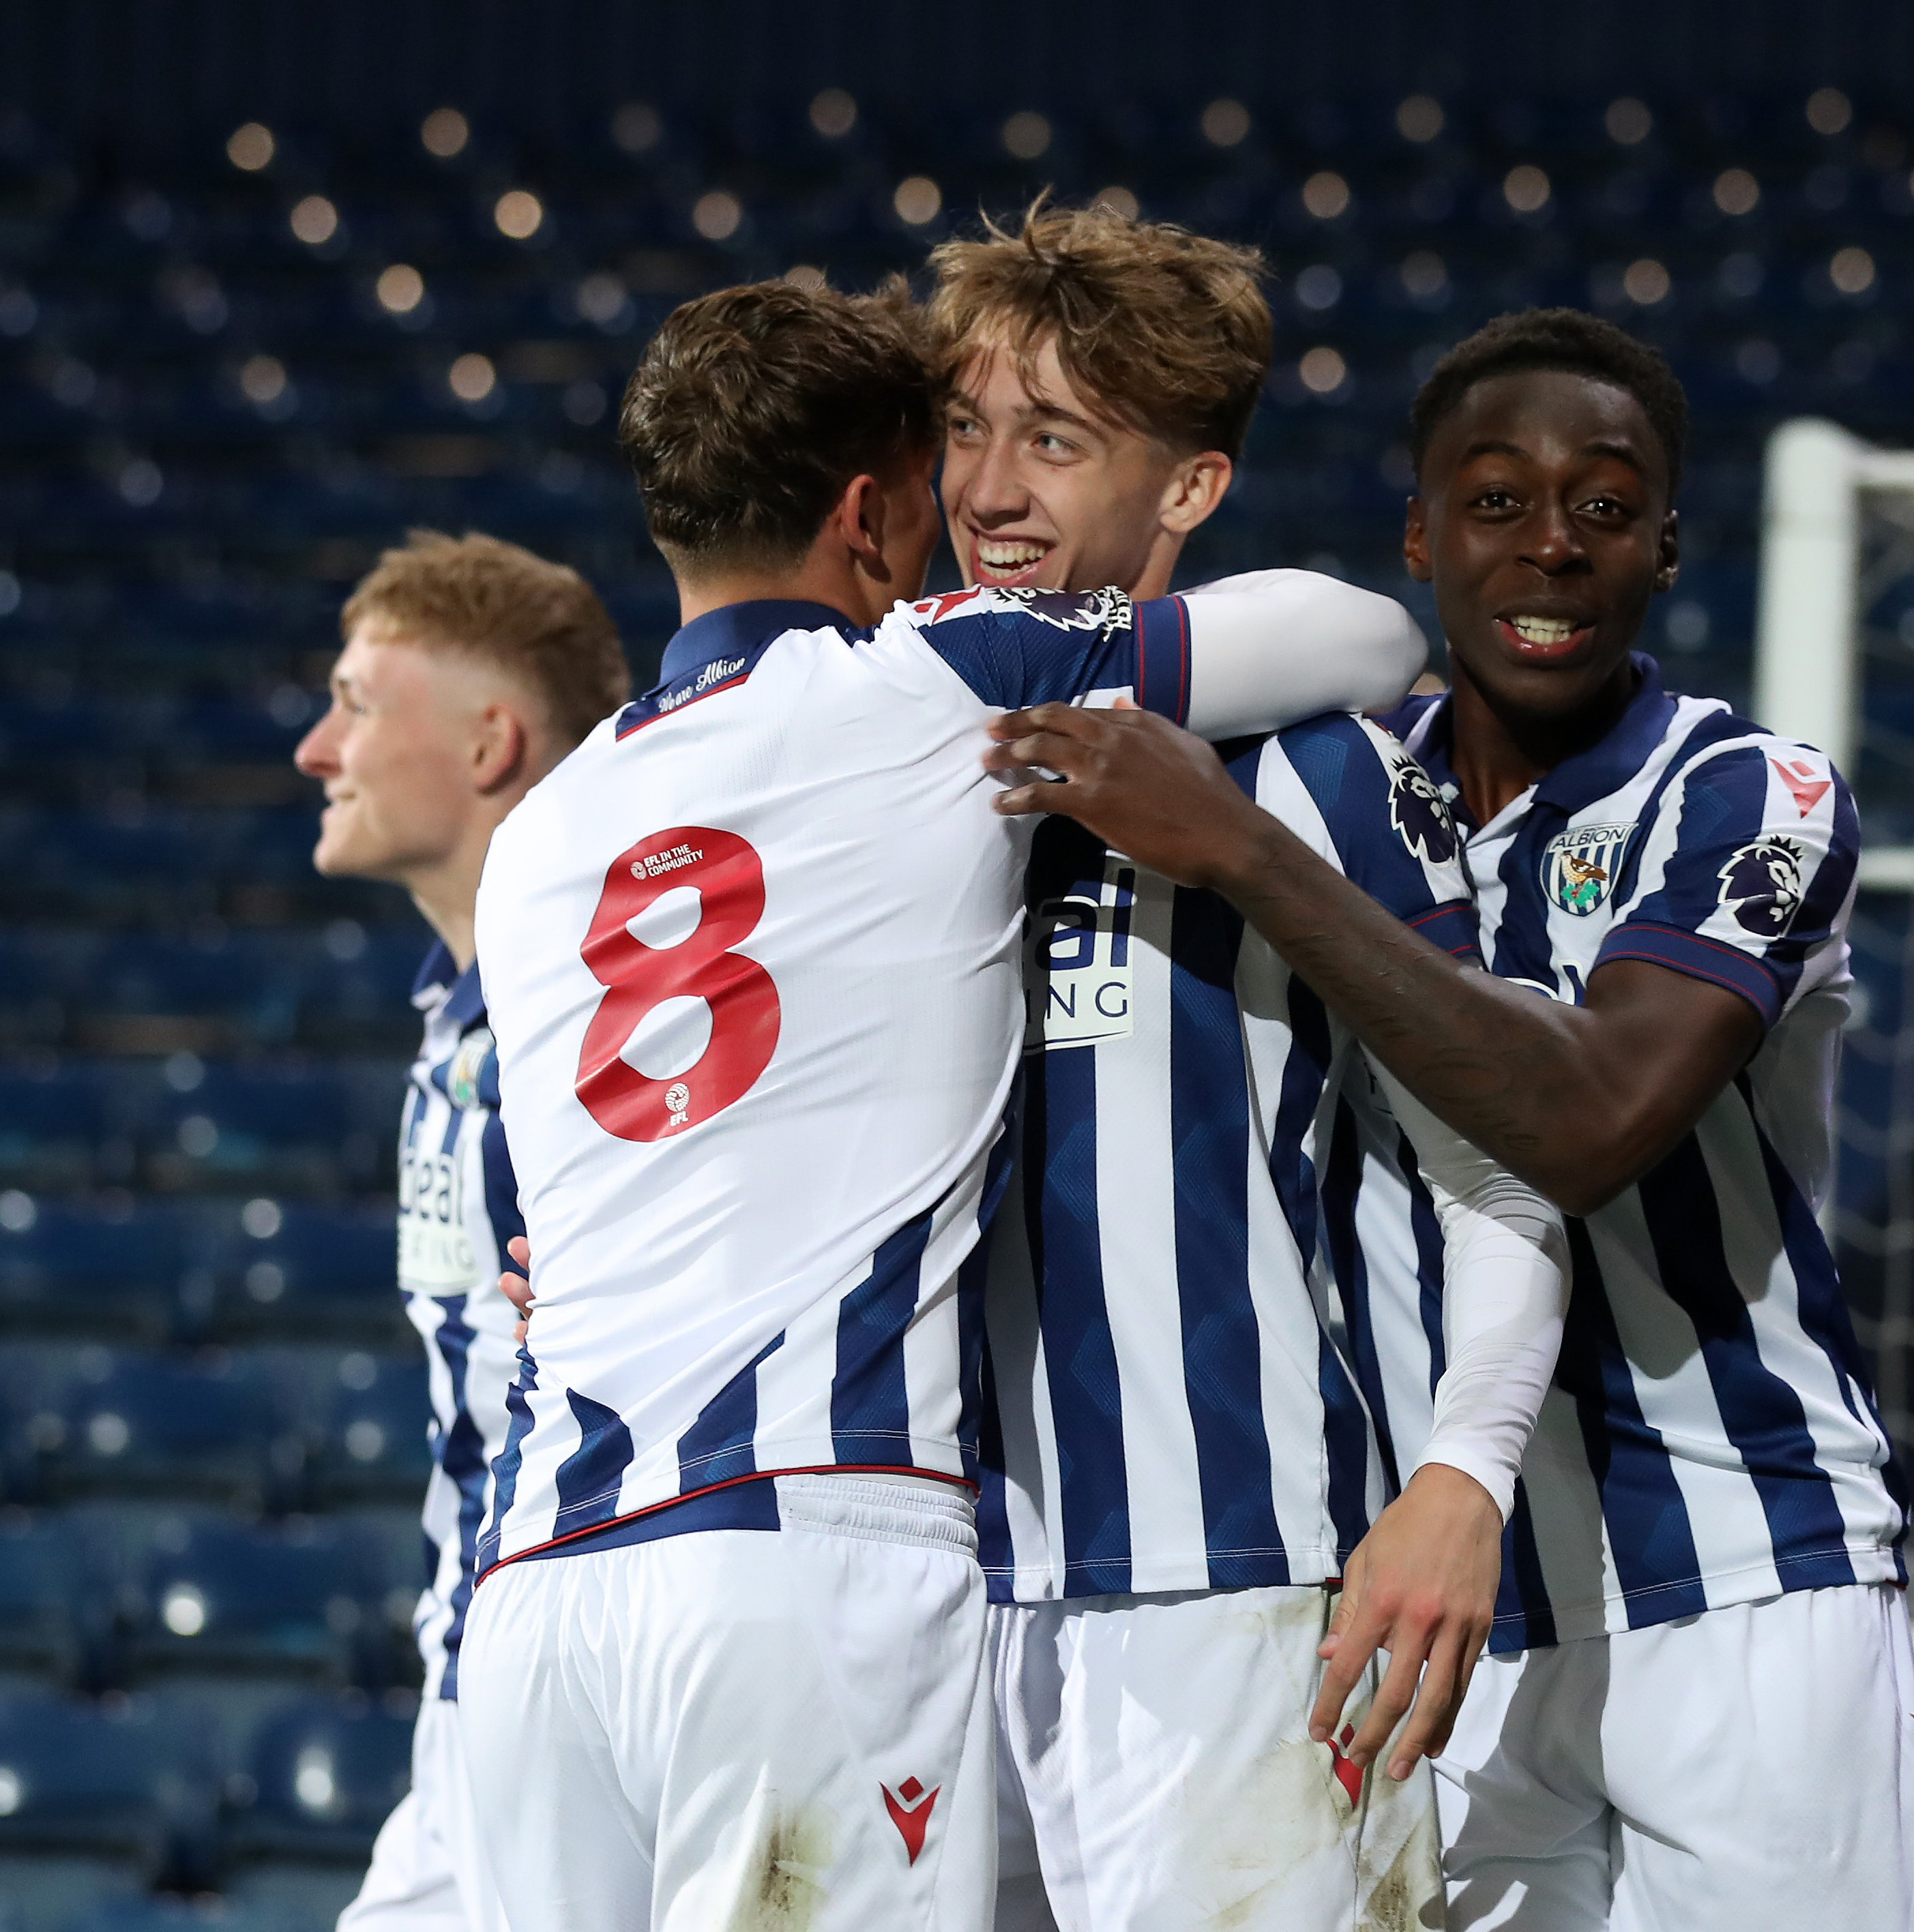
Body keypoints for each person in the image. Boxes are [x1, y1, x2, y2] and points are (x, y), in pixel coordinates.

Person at [456, 276, 1430, 1932]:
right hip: (794, 1556)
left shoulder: (549, 826)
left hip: (537, 1597)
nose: (973, 504)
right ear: (867, 512)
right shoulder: (927, 680)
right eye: (948, 456)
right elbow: (1372, 631)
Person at [980, 308, 1914, 1930]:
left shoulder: (1747, 797)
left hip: (1735, 1573)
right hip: (1445, 1616)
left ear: (1662, 548)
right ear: (1421, 539)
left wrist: (1242, 856)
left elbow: (1588, 1123)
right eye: (1496, 503)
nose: (1550, 546)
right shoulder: (1338, 781)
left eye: (1603, 505)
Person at [925, 201, 1567, 1932]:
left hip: (1231, 1595)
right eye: (966, 431)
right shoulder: (889, 771)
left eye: (1054, 439)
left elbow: (1502, 1151)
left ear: (1189, 489)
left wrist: (1459, 1476)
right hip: (919, 1602)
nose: (989, 489)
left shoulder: (1318, 778)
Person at [290, 529, 631, 1932]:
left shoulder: (594, 1014)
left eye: (358, 704)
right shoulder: (460, 1012)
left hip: (577, 1692)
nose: (317, 748)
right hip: (473, 1679)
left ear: (492, 742)